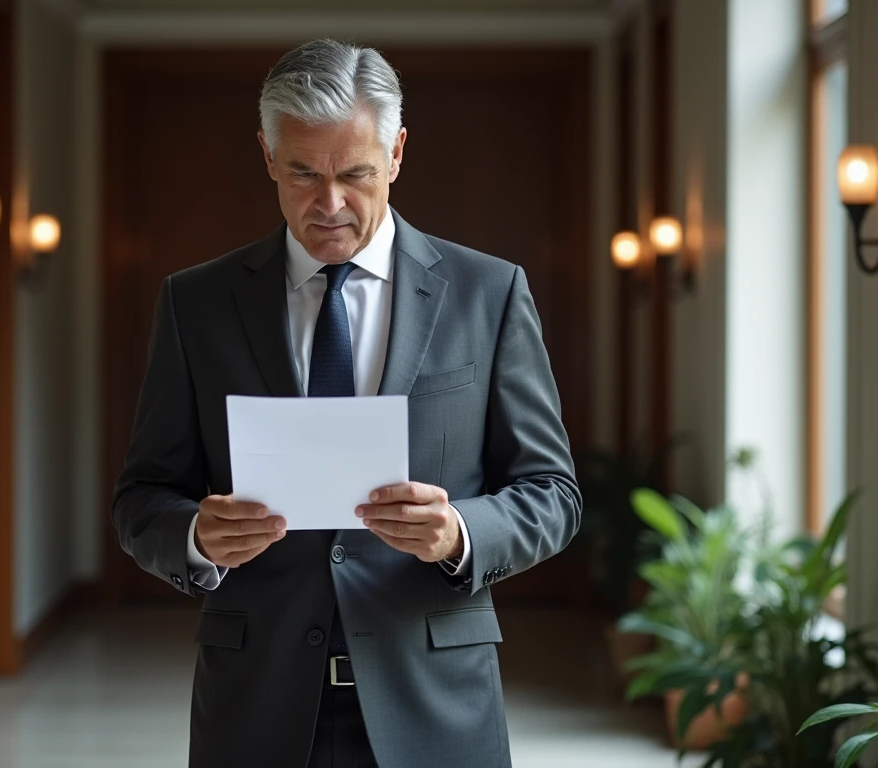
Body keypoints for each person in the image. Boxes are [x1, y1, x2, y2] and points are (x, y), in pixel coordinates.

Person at [111, 38, 581, 768]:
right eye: (304, 173)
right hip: (256, 708)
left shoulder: (489, 294)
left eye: (355, 173)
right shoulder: (196, 303)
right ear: (268, 156)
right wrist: (197, 538)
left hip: (437, 703)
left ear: (395, 154)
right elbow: (140, 498)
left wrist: (459, 532)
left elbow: (553, 494)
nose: (329, 204)